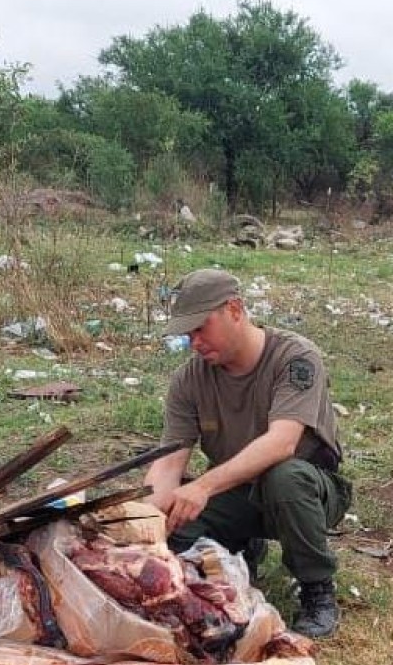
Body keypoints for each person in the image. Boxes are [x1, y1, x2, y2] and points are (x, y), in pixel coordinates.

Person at [144, 268, 352, 638]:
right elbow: (168, 464)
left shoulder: (295, 357)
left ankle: (317, 590)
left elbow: (282, 442)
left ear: (235, 310)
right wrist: (148, 521)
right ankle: (241, 550)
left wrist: (203, 486)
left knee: (284, 477)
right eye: (188, 333)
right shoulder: (189, 381)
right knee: (175, 528)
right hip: (237, 492)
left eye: (200, 328)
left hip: (308, 491)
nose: (194, 342)